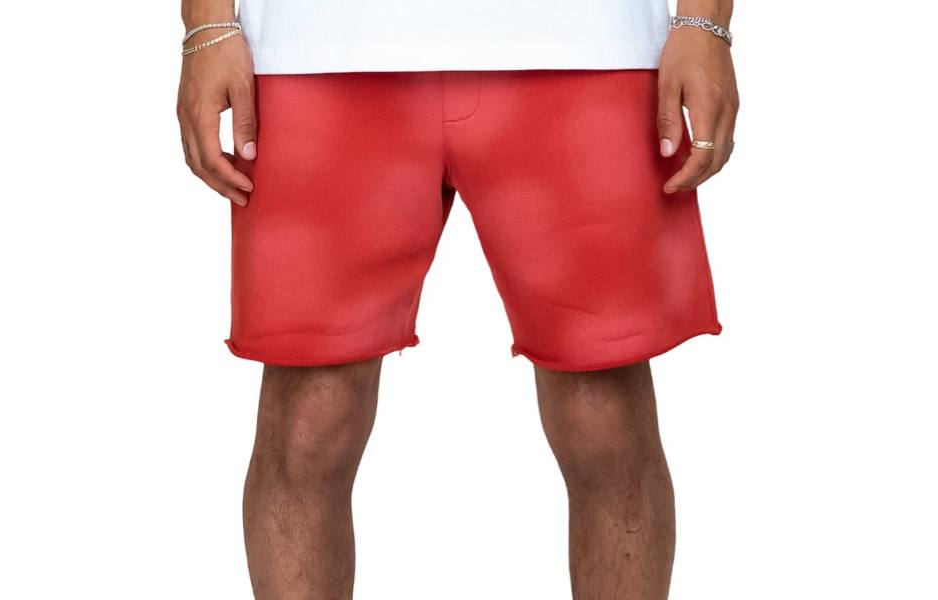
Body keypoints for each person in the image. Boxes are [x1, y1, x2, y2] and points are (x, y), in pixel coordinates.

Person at [176, 0, 738, 597]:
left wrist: (705, 23)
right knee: (308, 420)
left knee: (607, 416)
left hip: (587, 45)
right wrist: (205, 24)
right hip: (316, 49)